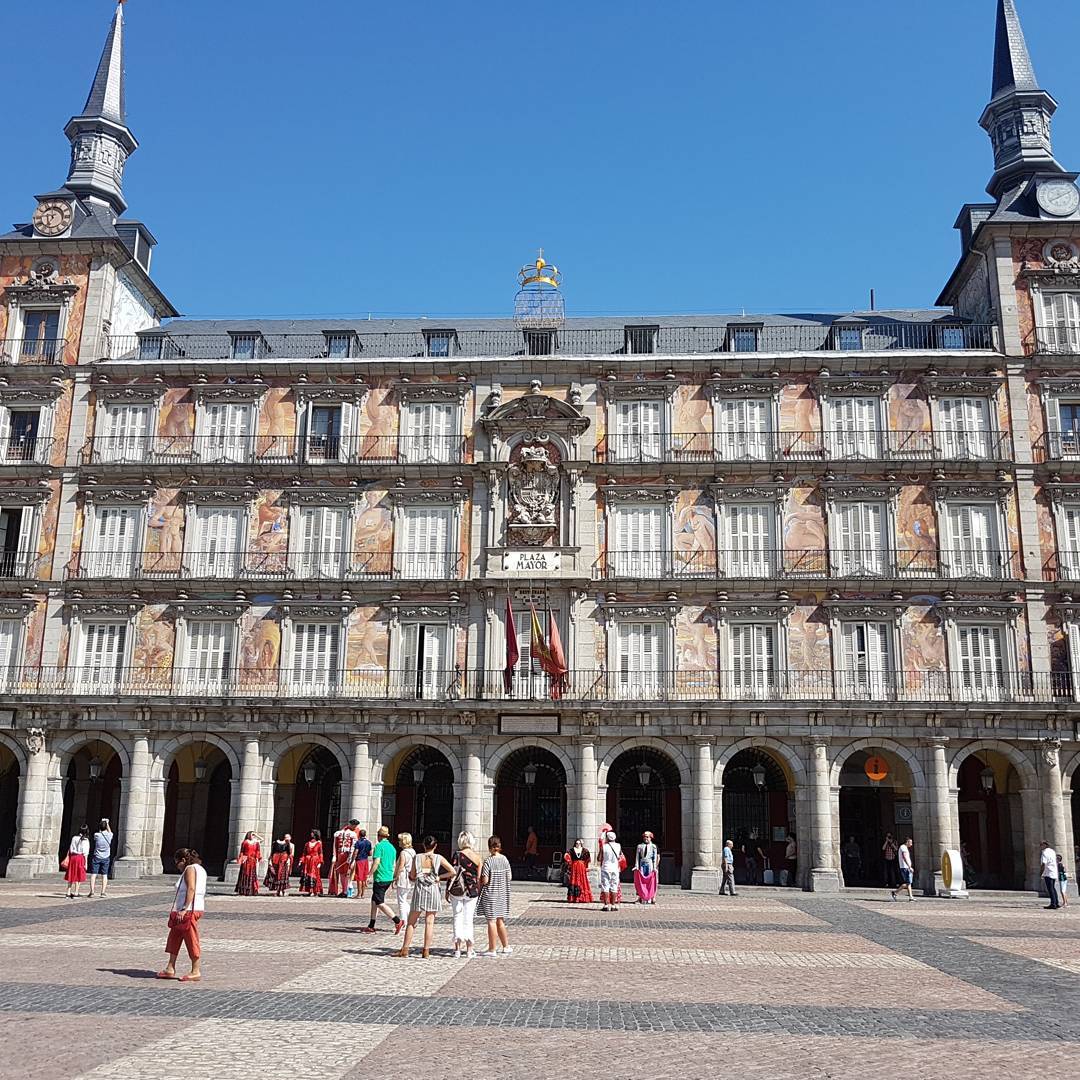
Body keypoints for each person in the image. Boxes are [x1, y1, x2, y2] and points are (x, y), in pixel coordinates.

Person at [396, 836, 453, 959]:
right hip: (433, 890)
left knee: (412, 921)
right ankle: (426, 951)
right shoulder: (439, 858)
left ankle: (405, 949)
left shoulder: (417, 857)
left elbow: (412, 875)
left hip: (419, 889)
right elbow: (452, 871)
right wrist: (439, 877)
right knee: (429, 922)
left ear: (423, 845)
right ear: (435, 846)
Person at [158, 848, 206, 982]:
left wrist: (185, 908)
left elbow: (191, 888)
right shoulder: (200, 869)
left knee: (191, 939)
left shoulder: (190, 869)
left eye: (177, 863)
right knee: (175, 937)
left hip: (189, 910)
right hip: (187, 909)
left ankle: (195, 970)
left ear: (183, 860)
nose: (177, 866)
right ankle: (170, 967)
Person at [448, 831, 483, 957]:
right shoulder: (478, 857)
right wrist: (478, 890)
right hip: (472, 890)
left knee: (457, 916)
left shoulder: (457, 855)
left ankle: (457, 949)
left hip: (457, 890)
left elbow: (452, 873)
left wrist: (448, 889)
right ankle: (469, 949)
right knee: (468, 919)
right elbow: (479, 878)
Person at [362, 826, 403, 934]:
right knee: (374, 900)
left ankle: (397, 921)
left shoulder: (379, 846)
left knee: (380, 902)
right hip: (388, 876)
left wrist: (369, 875)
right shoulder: (392, 848)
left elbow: (376, 862)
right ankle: (371, 925)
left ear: (379, 836)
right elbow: (393, 863)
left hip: (380, 877)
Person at [477, 834, 513, 957]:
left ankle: (492, 949)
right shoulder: (505, 859)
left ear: (489, 847)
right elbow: (509, 877)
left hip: (491, 894)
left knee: (491, 921)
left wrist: (481, 880)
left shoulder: (488, 861)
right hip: (502, 894)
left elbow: (485, 880)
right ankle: (506, 946)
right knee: (500, 921)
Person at [392, 832, 416, 932]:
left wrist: (395, 878)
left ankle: (404, 922)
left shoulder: (403, 853)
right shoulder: (413, 851)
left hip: (403, 878)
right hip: (410, 878)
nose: (399, 842)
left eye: (400, 840)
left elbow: (401, 867)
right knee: (405, 900)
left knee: (401, 901)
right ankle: (412, 919)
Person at [329, 819, 359, 897]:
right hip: (341, 854)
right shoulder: (340, 833)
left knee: (348, 873)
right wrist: (334, 855)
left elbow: (353, 846)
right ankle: (344, 890)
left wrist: (351, 858)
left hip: (348, 855)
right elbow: (335, 845)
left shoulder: (354, 833)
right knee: (343, 873)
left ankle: (347, 889)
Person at [599, 829, 623, 912]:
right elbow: (620, 856)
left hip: (605, 867)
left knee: (605, 886)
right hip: (615, 868)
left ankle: (606, 905)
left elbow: (599, 858)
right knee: (614, 886)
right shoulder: (618, 846)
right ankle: (613, 905)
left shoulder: (604, 846)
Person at [64, 825, 91, 898]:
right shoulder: (86, 840)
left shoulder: (74, 838)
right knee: (78, 875)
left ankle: (68, 892)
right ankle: (76, 892)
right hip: (80, 858)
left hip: (73, 857)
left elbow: (70, 848)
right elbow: (86, 853)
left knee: (71, 874)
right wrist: (86, 863)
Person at [563, 839, 593, 904]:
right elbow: (566, 856)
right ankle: (573, 897)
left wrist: (586, 866)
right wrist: (569, 864)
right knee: (574, 880)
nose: (578, 844)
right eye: (576, 843)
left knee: (583, 880)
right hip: (574, 867)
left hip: (582, 867)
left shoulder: (585, 850)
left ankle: (583, 897)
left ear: (581, 844)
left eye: (579, 843)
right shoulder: (571, 850)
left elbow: (587, 859)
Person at [89, 818, 113, 898]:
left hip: (97, 857)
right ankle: (103, 892)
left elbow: (100, 832)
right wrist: (107, 823)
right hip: (106, 857)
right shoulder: (109, 835)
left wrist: (102, 823)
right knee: (104, 875)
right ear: (106, 827)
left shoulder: (97, 835)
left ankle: (92, 892)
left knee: (94, 874)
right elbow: (109, 832)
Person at [634, 831, 659, 905]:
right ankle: (641, 897)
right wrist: (636, 866)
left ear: (651, 838)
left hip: (650, 864)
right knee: (641, 881)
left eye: (647, 837)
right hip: (642, 863)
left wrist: (655, 867)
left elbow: (655, 857)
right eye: (644, 836)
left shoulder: (653, 846)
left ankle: (651, 897)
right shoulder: (640, 846)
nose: (646, 838)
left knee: (651, 881)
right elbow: (637, 857)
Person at [234, 831, 262, 896]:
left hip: (253, 861)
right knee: (245, 875)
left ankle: (252, 890)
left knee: (252, 875)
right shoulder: (245, 842)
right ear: (249, 835)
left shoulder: (256, 842)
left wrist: (256, 835)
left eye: (254, 835)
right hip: (246, 860)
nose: (253, 836)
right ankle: (244, 890)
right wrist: (241, 859)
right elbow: (242, 851)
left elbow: (262, 840)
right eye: (252, 835)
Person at [298, 829, 324, 896]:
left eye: (312, 833)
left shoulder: (319, 843)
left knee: (314, 875)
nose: (311, 834)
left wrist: (320, 862)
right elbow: (304, 853)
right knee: (307, 875)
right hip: (307, 861)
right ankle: (309, 890)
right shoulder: (307, 843)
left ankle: (314, 891)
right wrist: (301, 860)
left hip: (315, 861)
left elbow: (320, 853)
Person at [890, 837, 915, 901]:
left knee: (908, 883)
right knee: (908, 882)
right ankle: (896, 892)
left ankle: (910, 897)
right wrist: (909, 867)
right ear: (907, 842)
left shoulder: (904, 847)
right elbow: (904, 857)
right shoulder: (903, 847)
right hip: (905, 867)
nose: (911, 844)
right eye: (910, 842)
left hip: (905, 867)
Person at [354, 828, 373, 900]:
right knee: (364, 878)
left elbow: (356, 852)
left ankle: (359, 894)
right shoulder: (368, 842)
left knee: (359, 878)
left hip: (359, 860)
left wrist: (353, 859)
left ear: (359, 835)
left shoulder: (358, 842)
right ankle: (362, 894)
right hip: (365, 860)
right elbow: (370, 853)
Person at [1041, 841, 1061, 910]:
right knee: (1053, 888)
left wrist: (1041, 872)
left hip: (1048, 872)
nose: (1040, 846)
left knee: (1050, 888)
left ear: (1045, 845)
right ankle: (1056, 902)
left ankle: (1053, 904)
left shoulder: (1045, 852)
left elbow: (1044, 863)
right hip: (1053, 871)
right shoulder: (1052, 851)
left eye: (1041, 845)